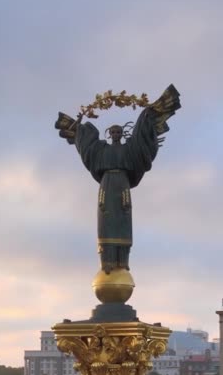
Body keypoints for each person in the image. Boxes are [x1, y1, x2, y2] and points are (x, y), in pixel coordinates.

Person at [55, 84, 180, 273]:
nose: (115, 135)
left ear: (122, 133)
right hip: (107, 185)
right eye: (112, 132)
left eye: (118, 132)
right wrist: (78, 128)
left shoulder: (129, 150)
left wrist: (147, 115)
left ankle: (122, 261)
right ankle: (107, 262)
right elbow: (88, 146)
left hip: (122, 185)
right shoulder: (101, 150)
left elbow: (141, 138)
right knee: (106, 222)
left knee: (123, 221)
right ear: (109, 134)